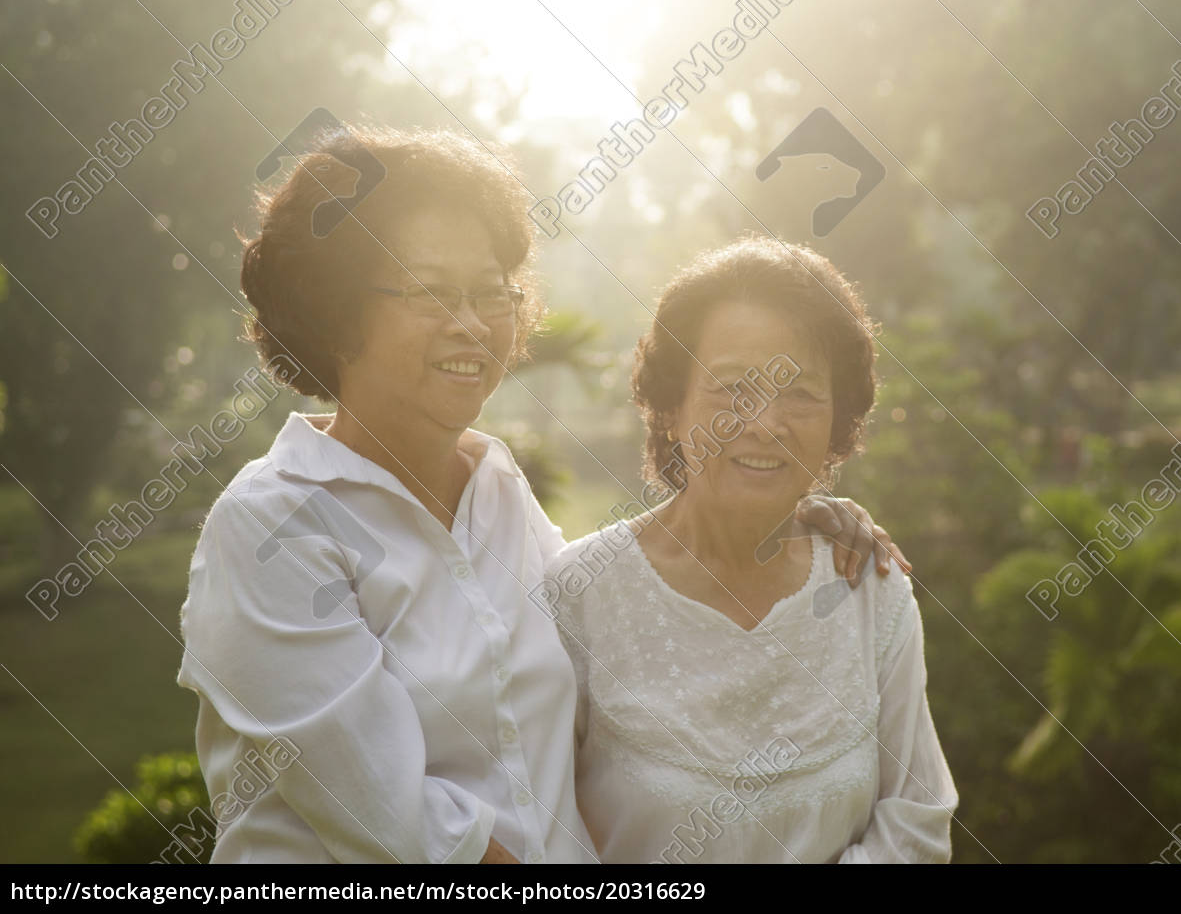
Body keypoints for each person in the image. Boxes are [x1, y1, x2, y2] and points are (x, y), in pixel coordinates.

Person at [176, 124, 905, 863]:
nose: (472, 323)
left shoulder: (496, 489)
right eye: (431, 291)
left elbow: (621, 602)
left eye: (491, 291)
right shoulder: (274, 526)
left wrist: (782, 515)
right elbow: (400, 825)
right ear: (334, 311)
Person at [546, 237, 958, 863]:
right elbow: (540, 830)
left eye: (800, 392)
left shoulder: (870, 588)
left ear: (837, 418)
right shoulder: (579, 593)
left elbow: (918, 820)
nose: (766, 420)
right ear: (672, 404)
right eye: (734, 386)